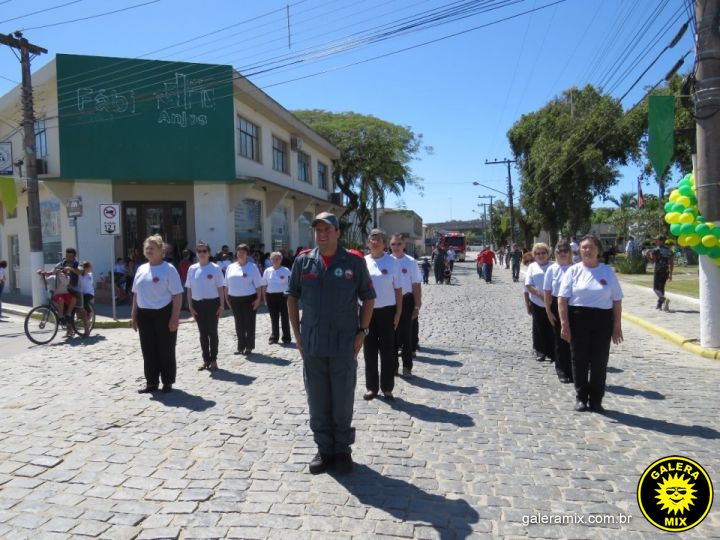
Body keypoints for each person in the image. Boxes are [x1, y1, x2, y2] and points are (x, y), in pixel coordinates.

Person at [287, 212, 375, 475]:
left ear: (338, 233)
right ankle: (324, 449)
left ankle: (342, 450)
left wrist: (362, 331)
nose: (322, 234)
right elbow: (292, 297)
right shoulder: (303, 262)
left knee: (342, 399)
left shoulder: (354, 262)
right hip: (313, 343)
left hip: (343, 343)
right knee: (317, 400)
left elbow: (368, 297)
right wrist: (297, 335)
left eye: (327, 229)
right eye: (318, 230)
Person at [559, 234, 623, 413]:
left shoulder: (607, 271)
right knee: (579, 359)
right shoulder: (573, 271)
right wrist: (564, 324)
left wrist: (617, 326)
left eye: (591, 247)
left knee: (599, 361)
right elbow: (562, 300)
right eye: (584, 247)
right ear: (579, 251)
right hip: (578, 318)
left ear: (598, 250)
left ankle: (596, 400)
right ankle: (581, 397)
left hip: (602, 320)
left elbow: (617, 300)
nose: (587, 250)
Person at [131, 235, 183, 394]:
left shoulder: (169, 269)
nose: (149, 251)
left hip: (164, 313)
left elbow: (177, 295)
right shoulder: (141, 269)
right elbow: (136, 294)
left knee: (165, 349)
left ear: (161, 250)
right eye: (147, 248)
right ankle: (151, 382)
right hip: (144, 314)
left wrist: (174, 318)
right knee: (148, 349)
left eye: (152, 248)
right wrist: (134, 315)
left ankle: (167, 381)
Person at [363, 229, 402, 401]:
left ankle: (387, 388)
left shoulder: (392, 262)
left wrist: (398, 312)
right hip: (367, 312)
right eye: (372, 239)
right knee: (369, 351)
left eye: (379, 239)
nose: (375, 242)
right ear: (368, 242)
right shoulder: (363, 262)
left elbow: (398, 289)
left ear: (384, 243)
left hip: (387, 311)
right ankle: (372, 387)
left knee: (387, 351)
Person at [186, 241, 226, 371]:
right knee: (202, 333)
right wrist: (190, 306)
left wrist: (222, 305)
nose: (202, 253)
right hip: (198, 304)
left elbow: (220, 288)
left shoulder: (215, 268)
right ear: (196, 253)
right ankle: (206, 360)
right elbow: (189, 289)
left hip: (212, 304)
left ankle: (213, 359)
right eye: (199, 251)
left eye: (204, 251)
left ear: (209, 253)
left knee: (212, 332)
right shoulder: (192, 269)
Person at [390, 234, 423, 377]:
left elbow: (416, 284)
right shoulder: (386, 261)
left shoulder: (410, 262)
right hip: (390, 301)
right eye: (393, 244)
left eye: (399, 244)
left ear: (404, 245)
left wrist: (417, 305)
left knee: (407, 334)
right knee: (391, 335)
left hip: (407, 300)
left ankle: (407, 366)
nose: (396, 247)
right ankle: (393, 366)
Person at [225, 244, 265, 355]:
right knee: (239, 323)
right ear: (236, 253)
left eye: (243, 252)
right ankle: (240, 347)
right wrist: (227, 299)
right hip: (234, 298)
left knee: (249, 323)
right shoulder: (230, 267)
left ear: (247, 254)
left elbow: (258, 285)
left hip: (249, 298)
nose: (241, 254)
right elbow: (226, 285)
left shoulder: (252, 267)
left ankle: (249, 347)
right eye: (239, 252)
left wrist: (258, 299)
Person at [543, 241, 573, 384]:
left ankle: (573, 370)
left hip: (573, 305)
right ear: (555, 253)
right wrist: (548, 311)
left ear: (570, 252)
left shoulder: (576, 268)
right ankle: (562, 370)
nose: (562, 253)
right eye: (559, 251)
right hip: (556, 305)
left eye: (565, 250)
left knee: (573, 340)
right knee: (560, 339)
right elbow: (547, 292)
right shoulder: (552, 269)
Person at [524, 243, 553, 362]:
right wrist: (541, 296)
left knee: (552, 326)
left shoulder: (554, 265)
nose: (541, 255)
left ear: (547, 254)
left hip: (552, 302)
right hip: (537, 301)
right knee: (538, 327)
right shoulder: (532, 267)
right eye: (538, 253)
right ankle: (540, 351)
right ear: (534, 255)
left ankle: (551, 351)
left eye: (543, 253)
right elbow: (528, 285)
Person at [262, 251, 292, 345]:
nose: (275, 260)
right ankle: (274, 337)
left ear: (281, 259)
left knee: (285, 317)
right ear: (271, 260)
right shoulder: (267, 271)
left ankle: (286, 337)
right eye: (273, 259)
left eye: (278, 258)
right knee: (274, 317)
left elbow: (291, 284)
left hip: (284, 296)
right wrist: (264, 299)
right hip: (271, 296)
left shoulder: (286, 270)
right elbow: (264, 285)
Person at [647, 235, 674, 311]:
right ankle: (659, 305)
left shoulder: (656, 250)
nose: (655, 241)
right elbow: (671, 263)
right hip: (666, 271)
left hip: (658, 270)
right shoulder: (669, 251)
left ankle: (664, 299)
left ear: (661, 241)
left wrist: (647, 255)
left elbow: (652, 261)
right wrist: (670, 274)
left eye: (657, 240)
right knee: (661, 288)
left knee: (655, 288)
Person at [77, 260, 95, 331]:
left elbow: (91, 282)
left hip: (89, 293)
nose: (90, 269)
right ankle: (79, 315)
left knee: (84, 301)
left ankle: (90, 313)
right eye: (89, 267)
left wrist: (85, 273)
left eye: (90, 268)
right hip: (81, 293)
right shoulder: (79, 275)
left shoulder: (89, 275)